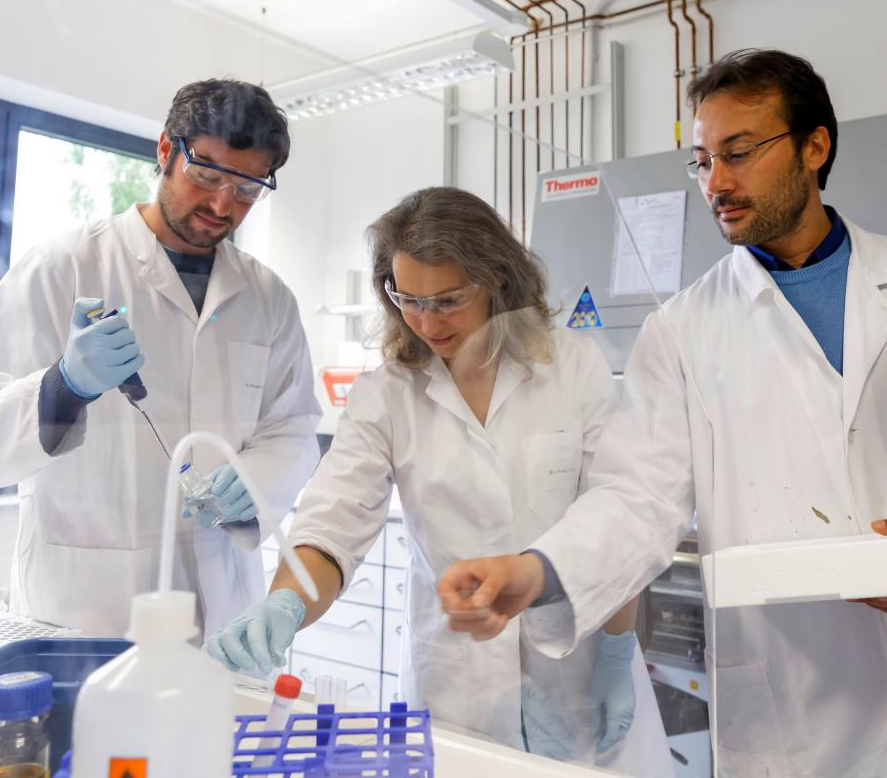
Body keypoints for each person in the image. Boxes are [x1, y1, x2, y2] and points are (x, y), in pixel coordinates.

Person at [438, 49, 887, 777]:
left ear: (814, 147)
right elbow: (638, 498)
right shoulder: (684, 330)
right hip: (799, 700)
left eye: (739, 153)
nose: (716, 183)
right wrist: (539, 570)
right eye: (702, 161)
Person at [203, 187, 671, 773]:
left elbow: (617, 512)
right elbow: (334, 520)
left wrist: (618, 648)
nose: (426, 322)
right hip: (458, 687)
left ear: (495, 279)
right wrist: (285, 603)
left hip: (580, 664)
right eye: (408, 300)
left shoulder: (571, 365)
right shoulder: (388, 394)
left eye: (447, 301)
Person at [0, 79, 322, 638]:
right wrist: (63, 386)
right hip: (91, 614)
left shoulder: (268, 298)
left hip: (224, 614)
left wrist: (254, 481)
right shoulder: (62, 268)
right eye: (206, 175)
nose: (222, 205)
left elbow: (293, 429)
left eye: (246, 188)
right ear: (166, 149)